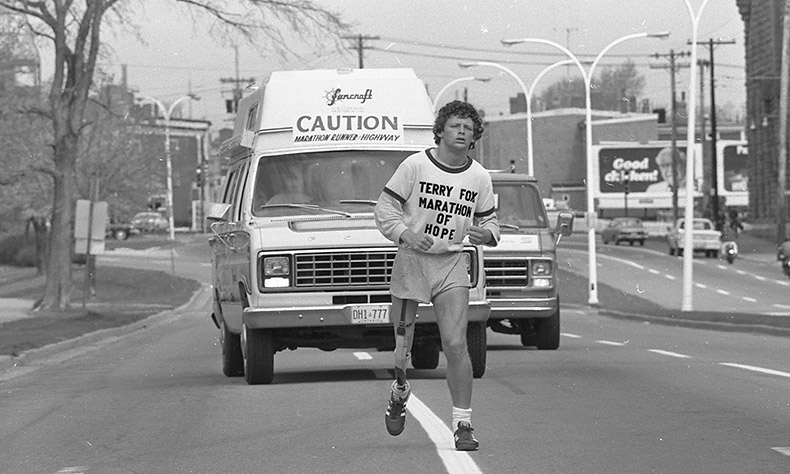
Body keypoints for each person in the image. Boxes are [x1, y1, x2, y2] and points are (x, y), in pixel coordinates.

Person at [374, 100, 500, 451]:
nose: (462, 132)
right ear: (441, 130)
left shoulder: (479, 176)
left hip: (450, 263)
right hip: (412, 259)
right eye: (456, 125)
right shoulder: (415, 165)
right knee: (402, 349)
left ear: (474, 137)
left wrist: (487, 234)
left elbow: (491, 222)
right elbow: (384, 208)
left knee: (456, 343)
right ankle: (399, 390)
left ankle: (463, 424)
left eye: (469, 128)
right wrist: (405, 233)